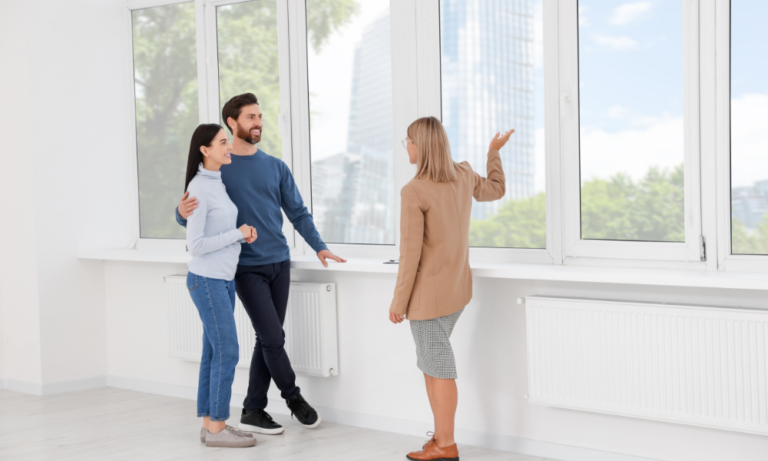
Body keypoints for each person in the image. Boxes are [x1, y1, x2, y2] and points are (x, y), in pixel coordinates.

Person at [176, 93, 346, 435]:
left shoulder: (275, 166)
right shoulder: (221, 166)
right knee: (272, 337)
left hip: (279, 262)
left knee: (267, 340)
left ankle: (253, 409)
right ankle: (293, 398)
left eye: (260, 116)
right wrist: (179, 215)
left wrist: (319, 247)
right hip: (244, 267)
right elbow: (194, 213)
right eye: (250, 117)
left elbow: (297, 212)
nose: (258, 122)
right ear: (232, 122)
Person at [389, 116, 513, 461]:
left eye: (409, 141)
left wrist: (398, 301)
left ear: (422, 146)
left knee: (438, 368)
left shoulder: (414, 190)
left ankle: (446, 446)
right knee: (431, 364)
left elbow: (409, 254)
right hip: (457, 289)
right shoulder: (462, 175)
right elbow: (496, 189)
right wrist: (493, 153)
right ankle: (440, 437)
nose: (407, 147)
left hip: (428, 298)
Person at [184, 123, 258, 448]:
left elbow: (222, 231)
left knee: (213, 353)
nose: (229, 147)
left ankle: (208, 424)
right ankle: (218, 427)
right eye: (223, 142)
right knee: (228, 352)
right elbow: (196, 245)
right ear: (205, 149)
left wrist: (241, 235)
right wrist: (238, 233)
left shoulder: (216, 183)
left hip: (222, 281)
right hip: (208, 279)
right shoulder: (199, 188)